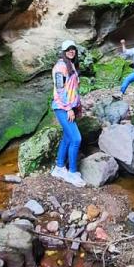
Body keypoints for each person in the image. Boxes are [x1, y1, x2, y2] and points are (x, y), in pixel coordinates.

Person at [50, 40, 86, 188]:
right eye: (69, 49)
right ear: (63, 51)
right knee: (76, 139)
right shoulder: (60, 67)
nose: (72, 51)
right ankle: (72, 172)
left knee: (67, 137)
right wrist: (69, 108)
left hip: (70, 107)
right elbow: (60, 90)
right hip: (62, 107)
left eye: (73, 49)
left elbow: (73, 89)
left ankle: (59, 168)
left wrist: (77, 106)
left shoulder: (71, 65)